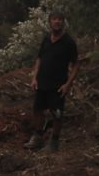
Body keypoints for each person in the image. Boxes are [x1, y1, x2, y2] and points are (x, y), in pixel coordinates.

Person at [25, 10, 79, 152]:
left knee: (57, 113)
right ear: (49, 22)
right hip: (42, 83)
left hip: (58, 85)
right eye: (54, 19)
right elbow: (39, 59)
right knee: (37, 110)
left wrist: (68, 84)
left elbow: (75, 65)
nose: (57, 22)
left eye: (60, 19)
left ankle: (54, 142)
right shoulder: (46, 39)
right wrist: (34, 78)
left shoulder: (69, 42)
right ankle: (38, 137)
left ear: (63, 22)